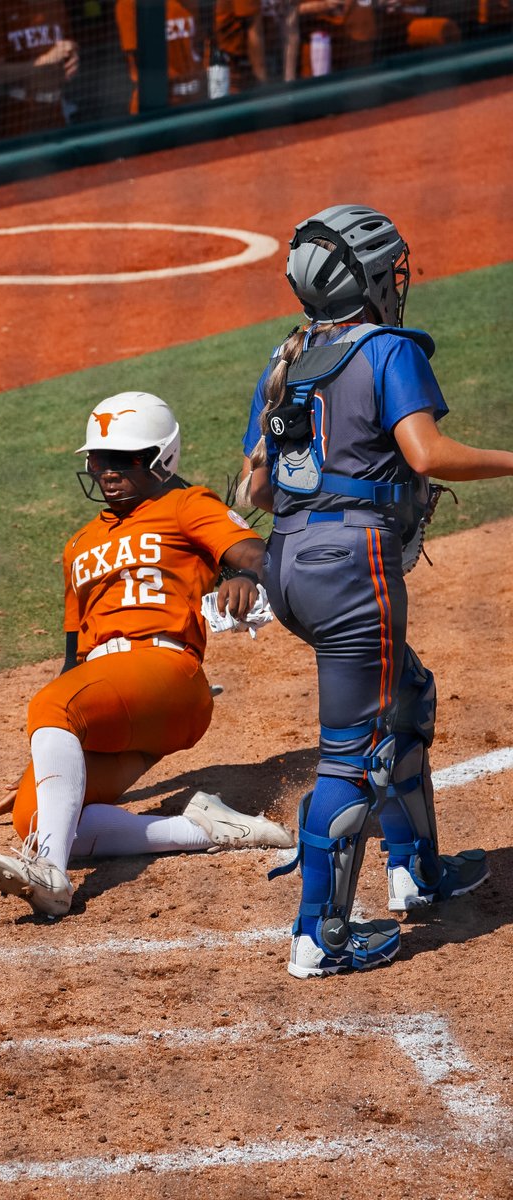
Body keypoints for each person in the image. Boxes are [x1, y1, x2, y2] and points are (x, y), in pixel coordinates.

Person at [238, 203, 513, 978]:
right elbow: (427, 454)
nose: (399, 278)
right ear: (367, 279)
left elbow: (257, 488)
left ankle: (415, 871)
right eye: (390, 267)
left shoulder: (287, 358)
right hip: (351, 569)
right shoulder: (389, 350)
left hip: (289, 566)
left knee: (406, 698)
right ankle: (319, 938)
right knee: (354, 755)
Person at [0, 390, 294, 918]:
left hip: (168, 675)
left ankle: (51, 876)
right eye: (98, 459)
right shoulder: (78, 545)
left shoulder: (186, 504)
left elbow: (258, 555)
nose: (107, 471)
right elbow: (73, 664)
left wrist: (240, 576)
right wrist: (48, 757)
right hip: (110, 696)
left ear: (161, 457)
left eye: (123, 458)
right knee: (35, 816)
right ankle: (204, 829)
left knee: (50, 706)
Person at [0, 0, 78, 140]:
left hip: (56, 108)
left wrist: (73, 55)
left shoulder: (56, 4)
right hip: (20, 111)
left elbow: (70, 44)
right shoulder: (1, 6)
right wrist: (42, 63)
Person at [115, 0, 207, 113]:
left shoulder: (189, 3)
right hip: (157, 105)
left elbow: (201, 44)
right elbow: (139, 58)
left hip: (195, 100)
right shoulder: (129, 4)